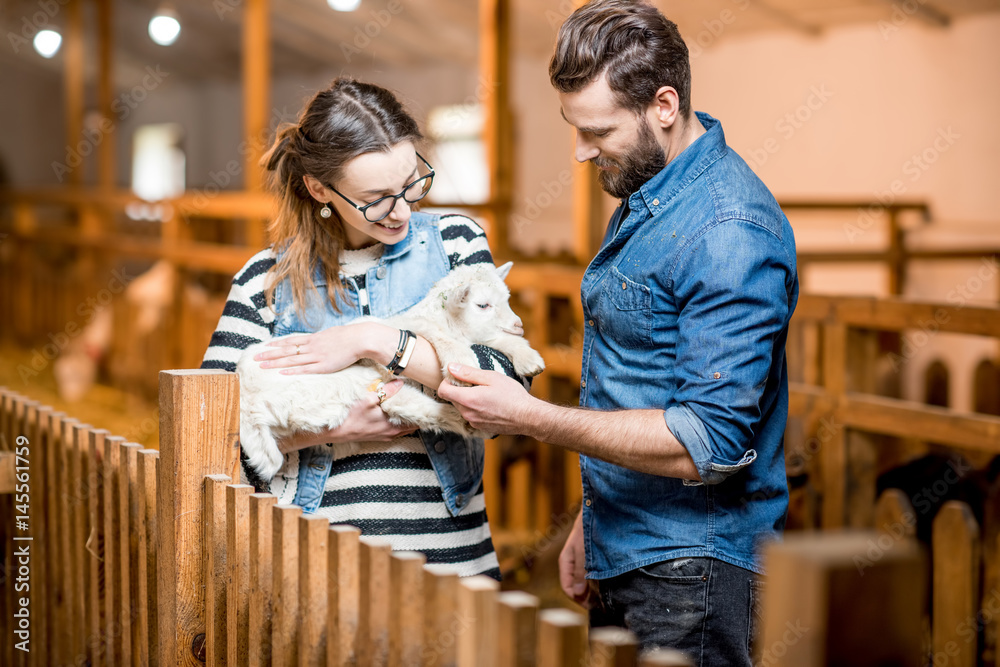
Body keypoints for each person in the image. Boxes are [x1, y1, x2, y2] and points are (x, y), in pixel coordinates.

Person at [437, 0, 799, 663]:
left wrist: (531, 416)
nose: (579, 152)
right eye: (574, 128)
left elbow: (707, 442)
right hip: (633, 541)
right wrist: (595, 516)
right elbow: (643, 379)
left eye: (597, 131)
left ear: (664, 105)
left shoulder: (728, 230)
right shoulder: (653, 186)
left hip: (694, 570)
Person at [201, 78, 531, 580]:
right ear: (319, 189)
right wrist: (333, 428)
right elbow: (206, 442)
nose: (401, 209)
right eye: (376, 197)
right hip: (317, 571)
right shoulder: (265, 282)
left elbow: (511, 388)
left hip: (450, 562)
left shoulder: (455, 245)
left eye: (409, 183)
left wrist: (374, 340)